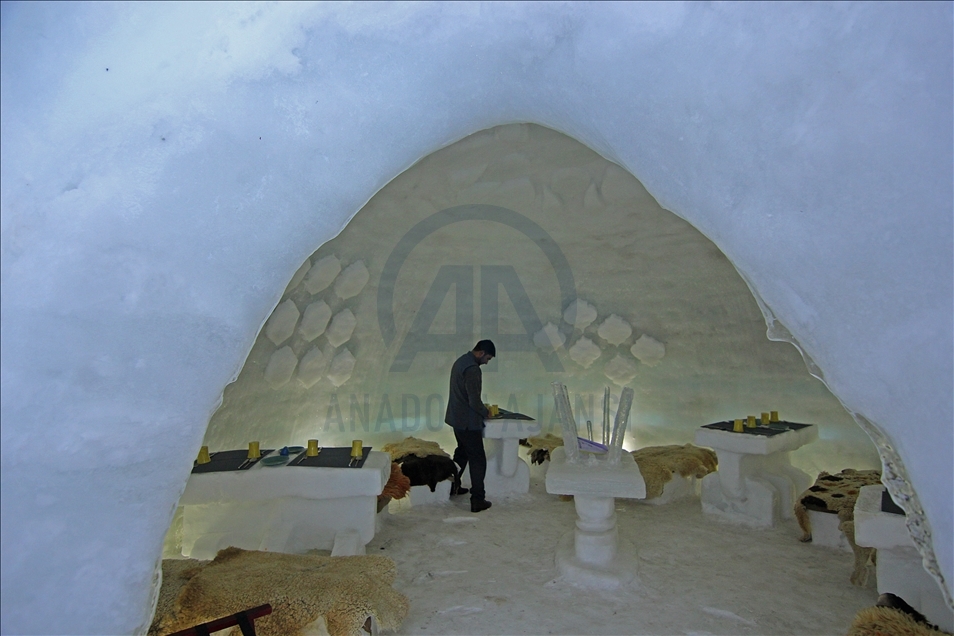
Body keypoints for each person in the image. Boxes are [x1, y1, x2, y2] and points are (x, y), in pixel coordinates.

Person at [445, 339, 496, 513]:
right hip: (468, 422)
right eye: (487, 358)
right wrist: (485, 411)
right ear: (481, 353)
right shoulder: (473, 369)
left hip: (456, 419)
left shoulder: (461, 361)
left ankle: (452, 487)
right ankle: (477, 499)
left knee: (462, 453)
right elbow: (474, 401)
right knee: (478, 459)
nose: (487, 362)